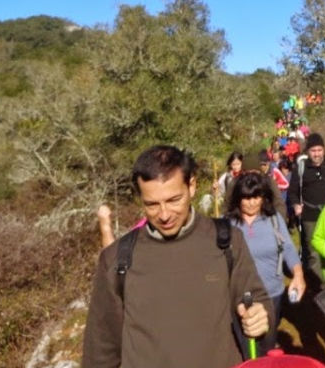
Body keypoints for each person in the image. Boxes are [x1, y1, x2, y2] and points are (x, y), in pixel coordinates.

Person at [82, 145, 272, 368]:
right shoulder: (117, 259)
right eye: (152, 204)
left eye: (174, 200)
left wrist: (260, 314)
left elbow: (255, 297)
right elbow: (101, 347)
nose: (164, 215)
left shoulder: (227, 241)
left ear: (191, 186)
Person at [226, 171, 306, 356]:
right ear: (238, 199)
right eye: (246, 198)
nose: (252, 202)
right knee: (245, 346)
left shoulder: (274, 219)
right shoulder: (228, 223)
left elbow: (288, 248)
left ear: (263, 197)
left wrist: (298, 274)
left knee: (267, 343)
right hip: (240, 295)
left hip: (272, 293)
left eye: (256, 197)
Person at [287, 132, 325, 284]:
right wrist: (296, 205)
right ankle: (319, 286)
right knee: (313, 252)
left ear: (324, 150)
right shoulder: (301, 168)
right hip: (310, 216)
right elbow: (292, 192)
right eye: (313, 151)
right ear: (307, 152)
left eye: (319, 150)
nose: (317, 154)